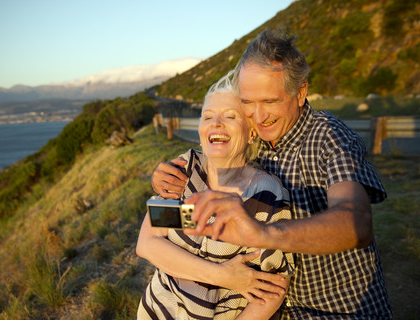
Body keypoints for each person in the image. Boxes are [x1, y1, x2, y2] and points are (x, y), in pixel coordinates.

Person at [151, 29, 392, 319]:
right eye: (248, 102)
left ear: (301, 92)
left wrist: (264, 234)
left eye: (270, 101)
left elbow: (357, 223)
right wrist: (170, 181)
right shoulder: (249, 143)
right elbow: (159, 227)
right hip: (274, 308)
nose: (259, 115)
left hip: (339, 308)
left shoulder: (331, 137)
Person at [136, 73, 295, 319]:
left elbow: (273, 289)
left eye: (230, 116)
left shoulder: (264, 195)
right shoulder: (186, 173)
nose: (216, 123)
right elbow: (148, 243)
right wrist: (224, 276)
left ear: (251, 133)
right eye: (208, 116)